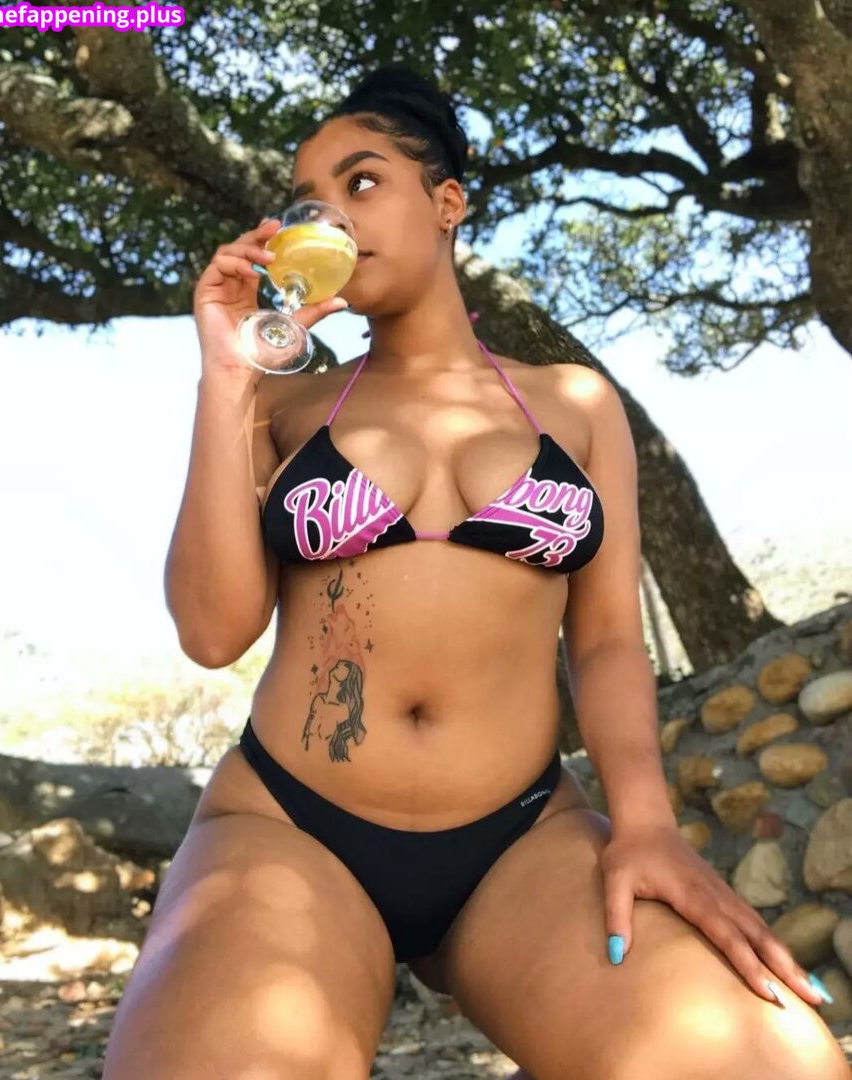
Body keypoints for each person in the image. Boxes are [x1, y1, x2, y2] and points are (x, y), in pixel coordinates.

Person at [102, 65, 849, 1080]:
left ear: (447, 201)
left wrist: (643, 825)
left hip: (519, 841)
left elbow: (604, 640)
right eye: (308, 202)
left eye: (362, 182)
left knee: (779, 1067)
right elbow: (211, 630)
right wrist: (227, 377)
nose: (330, 217)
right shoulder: (281, 405)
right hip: (287, 827)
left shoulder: (575, 404)